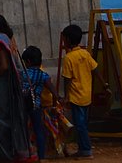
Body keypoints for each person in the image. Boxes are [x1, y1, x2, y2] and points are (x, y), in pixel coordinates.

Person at [0, 11, 34, 161]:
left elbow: (3, 66)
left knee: (0, 122)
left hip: (2, 86)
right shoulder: (6, 37)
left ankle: (2, 153)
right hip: (7, 86)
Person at [22, 46, 67, 161]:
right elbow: (52, 90)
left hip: (22, 106)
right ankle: (41, 156)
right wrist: (59, 99)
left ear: (28, 61)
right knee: (39, 131)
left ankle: (25, 154)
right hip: (36, 106)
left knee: (23, 130)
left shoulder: (22, 74)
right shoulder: (43, 75)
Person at [58, 25, 96, 158]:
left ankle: (86, 150)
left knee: (80, 125)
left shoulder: (69, 58)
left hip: (76, 96)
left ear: (67, 39)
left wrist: (66, 96)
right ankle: (83, 148)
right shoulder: (85, 54)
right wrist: (105, 85)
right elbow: (94, 68)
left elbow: (67, 79)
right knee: (82, 124)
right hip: (87, 94)